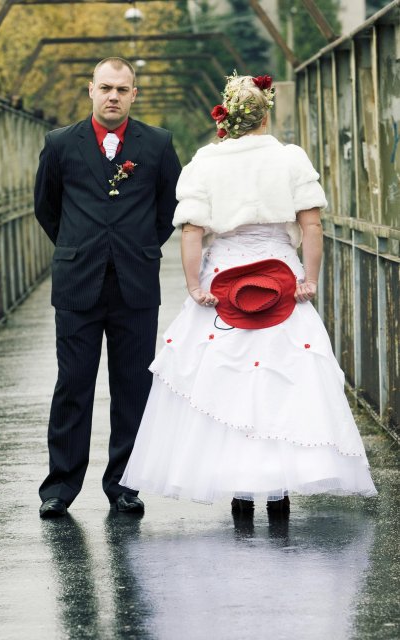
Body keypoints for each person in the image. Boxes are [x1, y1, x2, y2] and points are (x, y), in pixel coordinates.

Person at [120, 72, 377, 514]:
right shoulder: (290, 159)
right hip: (281, 277)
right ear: (265, 116)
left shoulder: (205, 163)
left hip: (224, 278)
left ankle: (239, 494)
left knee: (225, 381)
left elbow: (192, 232)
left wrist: (196, 286)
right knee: (284, 379)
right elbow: (312, 226)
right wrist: (309, 280)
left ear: (224, 118)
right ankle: (280, 492)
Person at [35, 57, 181, 518]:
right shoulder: (60, 143)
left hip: (135, 283)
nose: (113, 96)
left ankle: (124, 485)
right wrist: (78, 247)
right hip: (77, 282)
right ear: (91, 90)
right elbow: (46, 207)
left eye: (122, 89)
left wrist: (138, 247)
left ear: (134, 94)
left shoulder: (158, 143)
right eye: (105, 87)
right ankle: (60, 487)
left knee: (133, 386)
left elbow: (169, 208)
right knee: (72, 385)